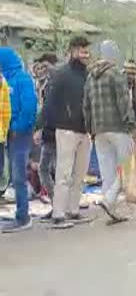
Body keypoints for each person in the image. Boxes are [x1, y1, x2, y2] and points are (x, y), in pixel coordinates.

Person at [83, 40, 136, 224]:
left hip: (98, 130)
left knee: (107, 172)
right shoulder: (115, 74)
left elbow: (86, 106)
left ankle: (111, 209)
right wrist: (130, 124)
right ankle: (109, 200)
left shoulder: (91, 77)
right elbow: (124, 102)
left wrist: (90, 128)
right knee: (128, 167)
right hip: (118, 128)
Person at [45, 36, 92, 230]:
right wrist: (48, 126)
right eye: (82, 51)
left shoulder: (88, 75)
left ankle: (73, 209)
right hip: (66, 129)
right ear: (73, 51)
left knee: (80, 174)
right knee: (63, 173)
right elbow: (50, 103)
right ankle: (58, 214)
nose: (85, 54)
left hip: (85, 130)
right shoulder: (61, 74)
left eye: (87, 51)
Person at [0, 48, 38, 233]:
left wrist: (17, 127)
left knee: (18, 175)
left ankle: (23, 217)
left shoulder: (22, 79)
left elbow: (30, 107)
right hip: (7, 132)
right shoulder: (4, 79)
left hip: (20, 133)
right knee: (11, 175)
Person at [33, 54, 58, 205]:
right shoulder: (46, 85)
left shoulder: (54, 84)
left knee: (51, 168)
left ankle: (58, 203)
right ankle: (57, 202)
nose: (43, 70)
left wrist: (38, 127)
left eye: (45, 67)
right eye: (40, 67)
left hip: (55, 131)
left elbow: (47, 109)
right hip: (50, 132)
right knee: (46, 168)